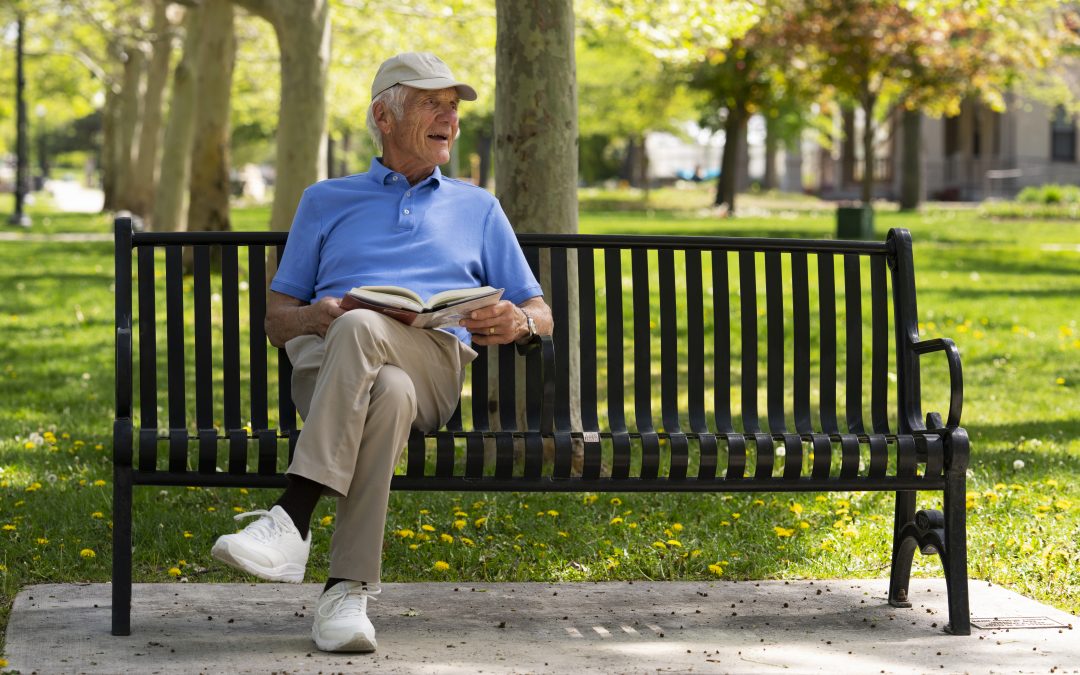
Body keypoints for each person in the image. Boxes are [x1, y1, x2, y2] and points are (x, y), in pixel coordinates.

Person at [210, 51, 552, 654]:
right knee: (384, 389)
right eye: (432, 103)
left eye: (453, 106)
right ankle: (346, 594)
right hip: (329, 367)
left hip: (435, 365)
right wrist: (316, 315)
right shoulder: (324, 199)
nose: (449, 117)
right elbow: (276, 322)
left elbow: (541, 314)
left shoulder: (479, 207)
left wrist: (518, 321)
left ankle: (292, 517)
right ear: (383, 115)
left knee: (369, 335)